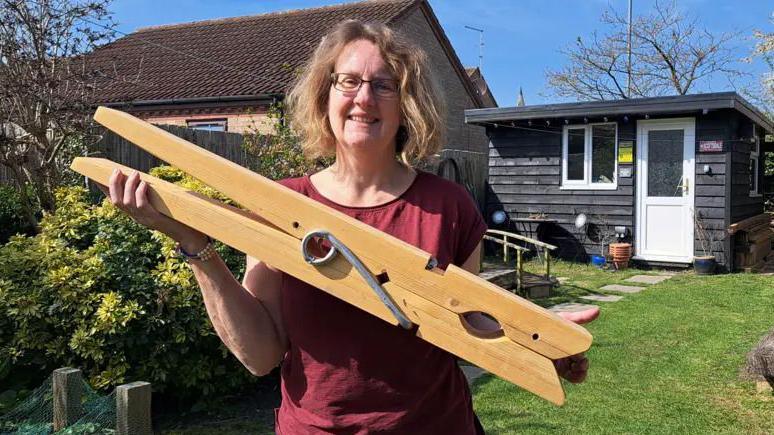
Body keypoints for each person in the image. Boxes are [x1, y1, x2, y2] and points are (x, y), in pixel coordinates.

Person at [106, 20, 594, 434]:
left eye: (384, 84)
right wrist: (194, 243)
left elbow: (462, 318)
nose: (365, 97)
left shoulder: (449, 206)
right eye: (348, 82)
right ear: (325, 95)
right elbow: (260, 355)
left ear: (406, 105)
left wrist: (537, 339)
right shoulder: (280, 204)